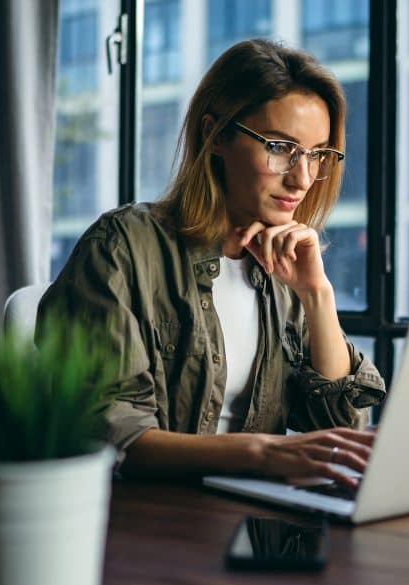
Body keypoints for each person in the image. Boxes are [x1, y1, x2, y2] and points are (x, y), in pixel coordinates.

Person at [38, 39, 386, 489]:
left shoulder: (285, 266)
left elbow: (341, 426)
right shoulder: (122, 248)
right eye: (280, 147)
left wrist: (317, 295)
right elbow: (112, 437)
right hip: (154, 516)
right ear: (216, 134)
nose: (302, 178)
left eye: (317, 153)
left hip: (256, 515)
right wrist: (261, 453)